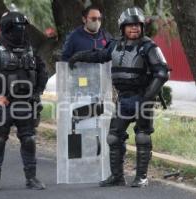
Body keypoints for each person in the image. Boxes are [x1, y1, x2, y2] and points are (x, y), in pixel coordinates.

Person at [69, 7, 169, 187]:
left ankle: (141, 177)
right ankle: (117, 176)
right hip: (124, 99)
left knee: (142, 136)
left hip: (143, 97)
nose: (134, 29)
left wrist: (146, 98)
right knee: (114, 137)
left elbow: (162, 73)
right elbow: (100, 55)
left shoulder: (149, 47)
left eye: (137, 25)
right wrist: (79, 56)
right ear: (122, 27)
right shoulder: (114, 45)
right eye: (130, 26)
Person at [0, 11, 48, 191]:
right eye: (19, 27)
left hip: (26, 103)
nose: (22, 31)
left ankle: (31, 178)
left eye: (24, 27)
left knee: (29, 139)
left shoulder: (30, 48)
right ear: (8, 28)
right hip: (5, 103)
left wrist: (37, 92)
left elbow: (43, 72)